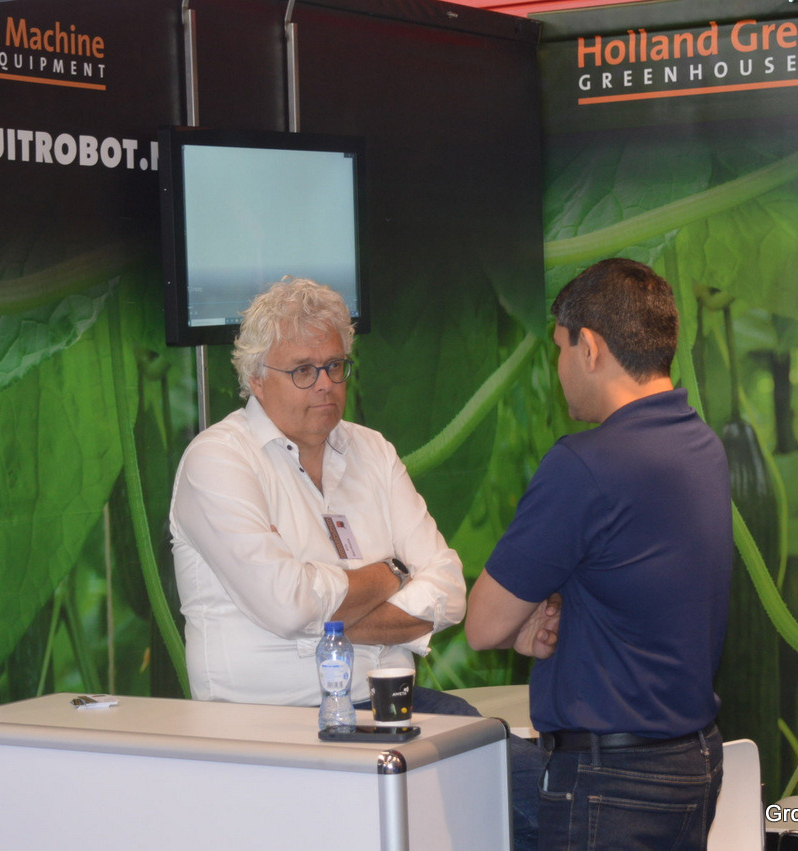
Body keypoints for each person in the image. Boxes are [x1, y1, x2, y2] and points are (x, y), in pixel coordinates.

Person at [169, 277, 540, 848]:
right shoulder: (217, 460)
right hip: (268, 728)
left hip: (392, 710)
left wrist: (324, 623)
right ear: (255, 379)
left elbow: (448, 590)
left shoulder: (372, 450)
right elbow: (286, 604)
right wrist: (391, 572)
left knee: (532, 785)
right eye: (303, 370)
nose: (325, 384)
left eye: (335, 366)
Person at [465, 257, 733, 850]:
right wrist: (565, 601)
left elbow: (482, 625)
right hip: (690, 763)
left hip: (613, 782)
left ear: (588, 347)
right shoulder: (702, 445)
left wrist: (526, 616)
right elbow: (635, 578)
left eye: (559, 349)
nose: (559, 367)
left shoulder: (585, 465)